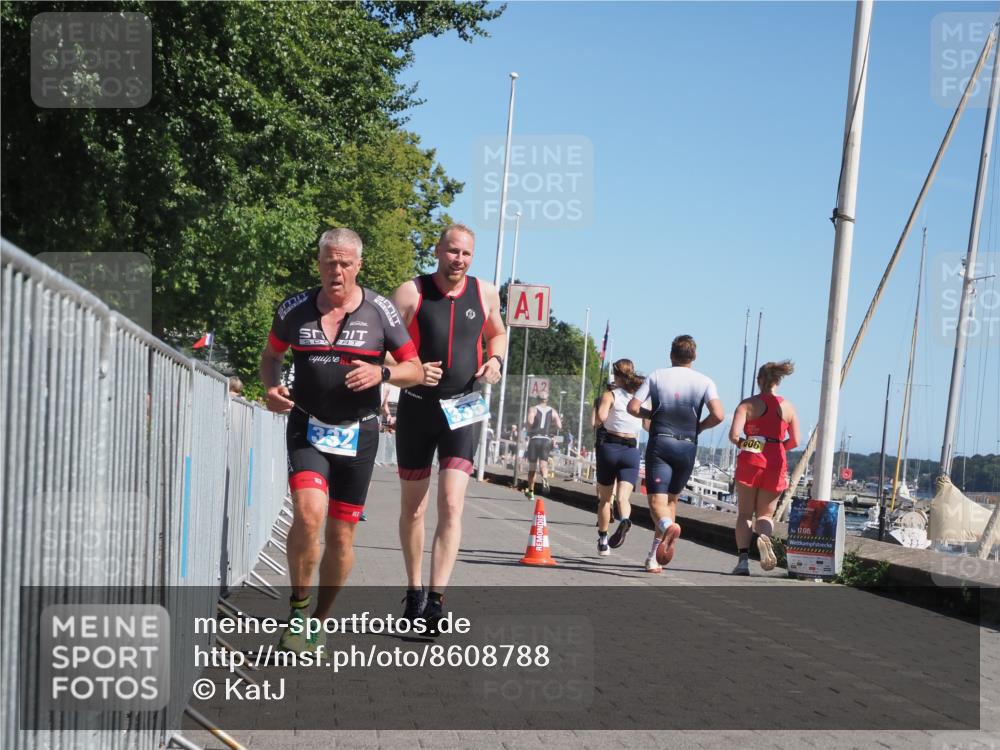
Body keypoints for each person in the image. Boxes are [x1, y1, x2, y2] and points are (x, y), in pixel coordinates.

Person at [260, 228, 423, 653]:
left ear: (358, 267)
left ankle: (320, 619)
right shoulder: (294, 310)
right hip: (308, 425)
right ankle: (297, 609)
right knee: (309, 515)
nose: (337, 271)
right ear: (319, 263)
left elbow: (416, 369)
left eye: (345, 264)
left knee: (341, 538)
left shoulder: (381, 312)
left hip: (359, 432)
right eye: (329, 262)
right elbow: (271, 355)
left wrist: (382, 373)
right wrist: (271, 387)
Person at [391, 224, 507, 631]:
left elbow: (498, 333)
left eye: (467, 254)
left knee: (452, 504)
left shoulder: (486, 292)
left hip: (463, 408)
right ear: (438, 250)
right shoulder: (412, 292)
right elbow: (381, 352)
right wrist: (411, 371)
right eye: (453, 251)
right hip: (417, 409)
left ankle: (437, 601)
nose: (459, 259)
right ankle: (414, 589)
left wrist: (495, 361)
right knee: (414, 509)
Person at [628, 335, 724, 573]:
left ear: (671, 354)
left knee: (656, 502)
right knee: (671, 500)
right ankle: (654, 556)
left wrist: (653, 415)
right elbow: (719, 415)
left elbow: (632, 407)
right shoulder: (705, 381)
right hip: (688, 446)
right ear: (694, 356)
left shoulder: (657, 376)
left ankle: (667, 527)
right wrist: (699, 427)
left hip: (662, 442)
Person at [728, 360, 800, 575]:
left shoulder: (747, 405)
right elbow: (795, 440)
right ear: (778, 381)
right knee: (765, 515)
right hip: (776, 461)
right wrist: (776, 448)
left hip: (751, 460)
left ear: (759, 380)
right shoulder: (788, 407)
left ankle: (742, 561)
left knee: (744, 514)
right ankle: (764, 537)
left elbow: (734, 436)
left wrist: (752, 445)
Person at [593, 360, 645, 556]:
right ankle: (624, 519)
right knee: (623, 497)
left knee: (605, 500)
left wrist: (599, 411)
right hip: (631, 451)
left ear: (615, 376)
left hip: (610, 448)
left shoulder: (610, 395)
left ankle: (603, 540)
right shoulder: (641, 399)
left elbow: (601, 419)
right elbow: (648, 425)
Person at [525, 394, 562, 497]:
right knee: (543, 464)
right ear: (547, 400)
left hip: (534, 439)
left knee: (532, 468)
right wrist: (551, 424)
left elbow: (530, 421)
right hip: (546, 440)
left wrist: (529, 427)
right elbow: (559, 425)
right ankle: (545, 477)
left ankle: (531, 492)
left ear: (538, 399)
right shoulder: (553, 411)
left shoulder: (533, 409)